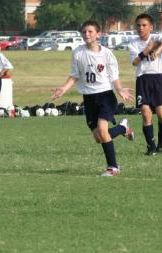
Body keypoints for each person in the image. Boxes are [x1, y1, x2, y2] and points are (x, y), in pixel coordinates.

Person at [51, 20, 134, 177]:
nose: (86, 34)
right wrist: (63, 88)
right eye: (84, 32)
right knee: (99, 137)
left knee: (103, 131)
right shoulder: (77, 53)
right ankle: (123, 128)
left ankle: (113, 168)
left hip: (105, 96)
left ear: (98, 34)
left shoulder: (107, 54)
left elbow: (114, 76)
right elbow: (75, 76)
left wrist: (120, 89)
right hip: (89, 99)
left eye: (90, 31)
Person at [127, 13, 162, 156]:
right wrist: (147, 50)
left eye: (144, 25)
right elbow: (135, 62)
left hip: (158, 78)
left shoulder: (157, 38)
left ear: (151, 27)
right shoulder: (133, 43)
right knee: (146, 114)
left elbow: (160, 42)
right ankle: (151, 146)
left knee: (160, 113)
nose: (140, 28)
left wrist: (157, 49)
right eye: (138, 25)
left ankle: (160, 144)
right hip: (142, 79)